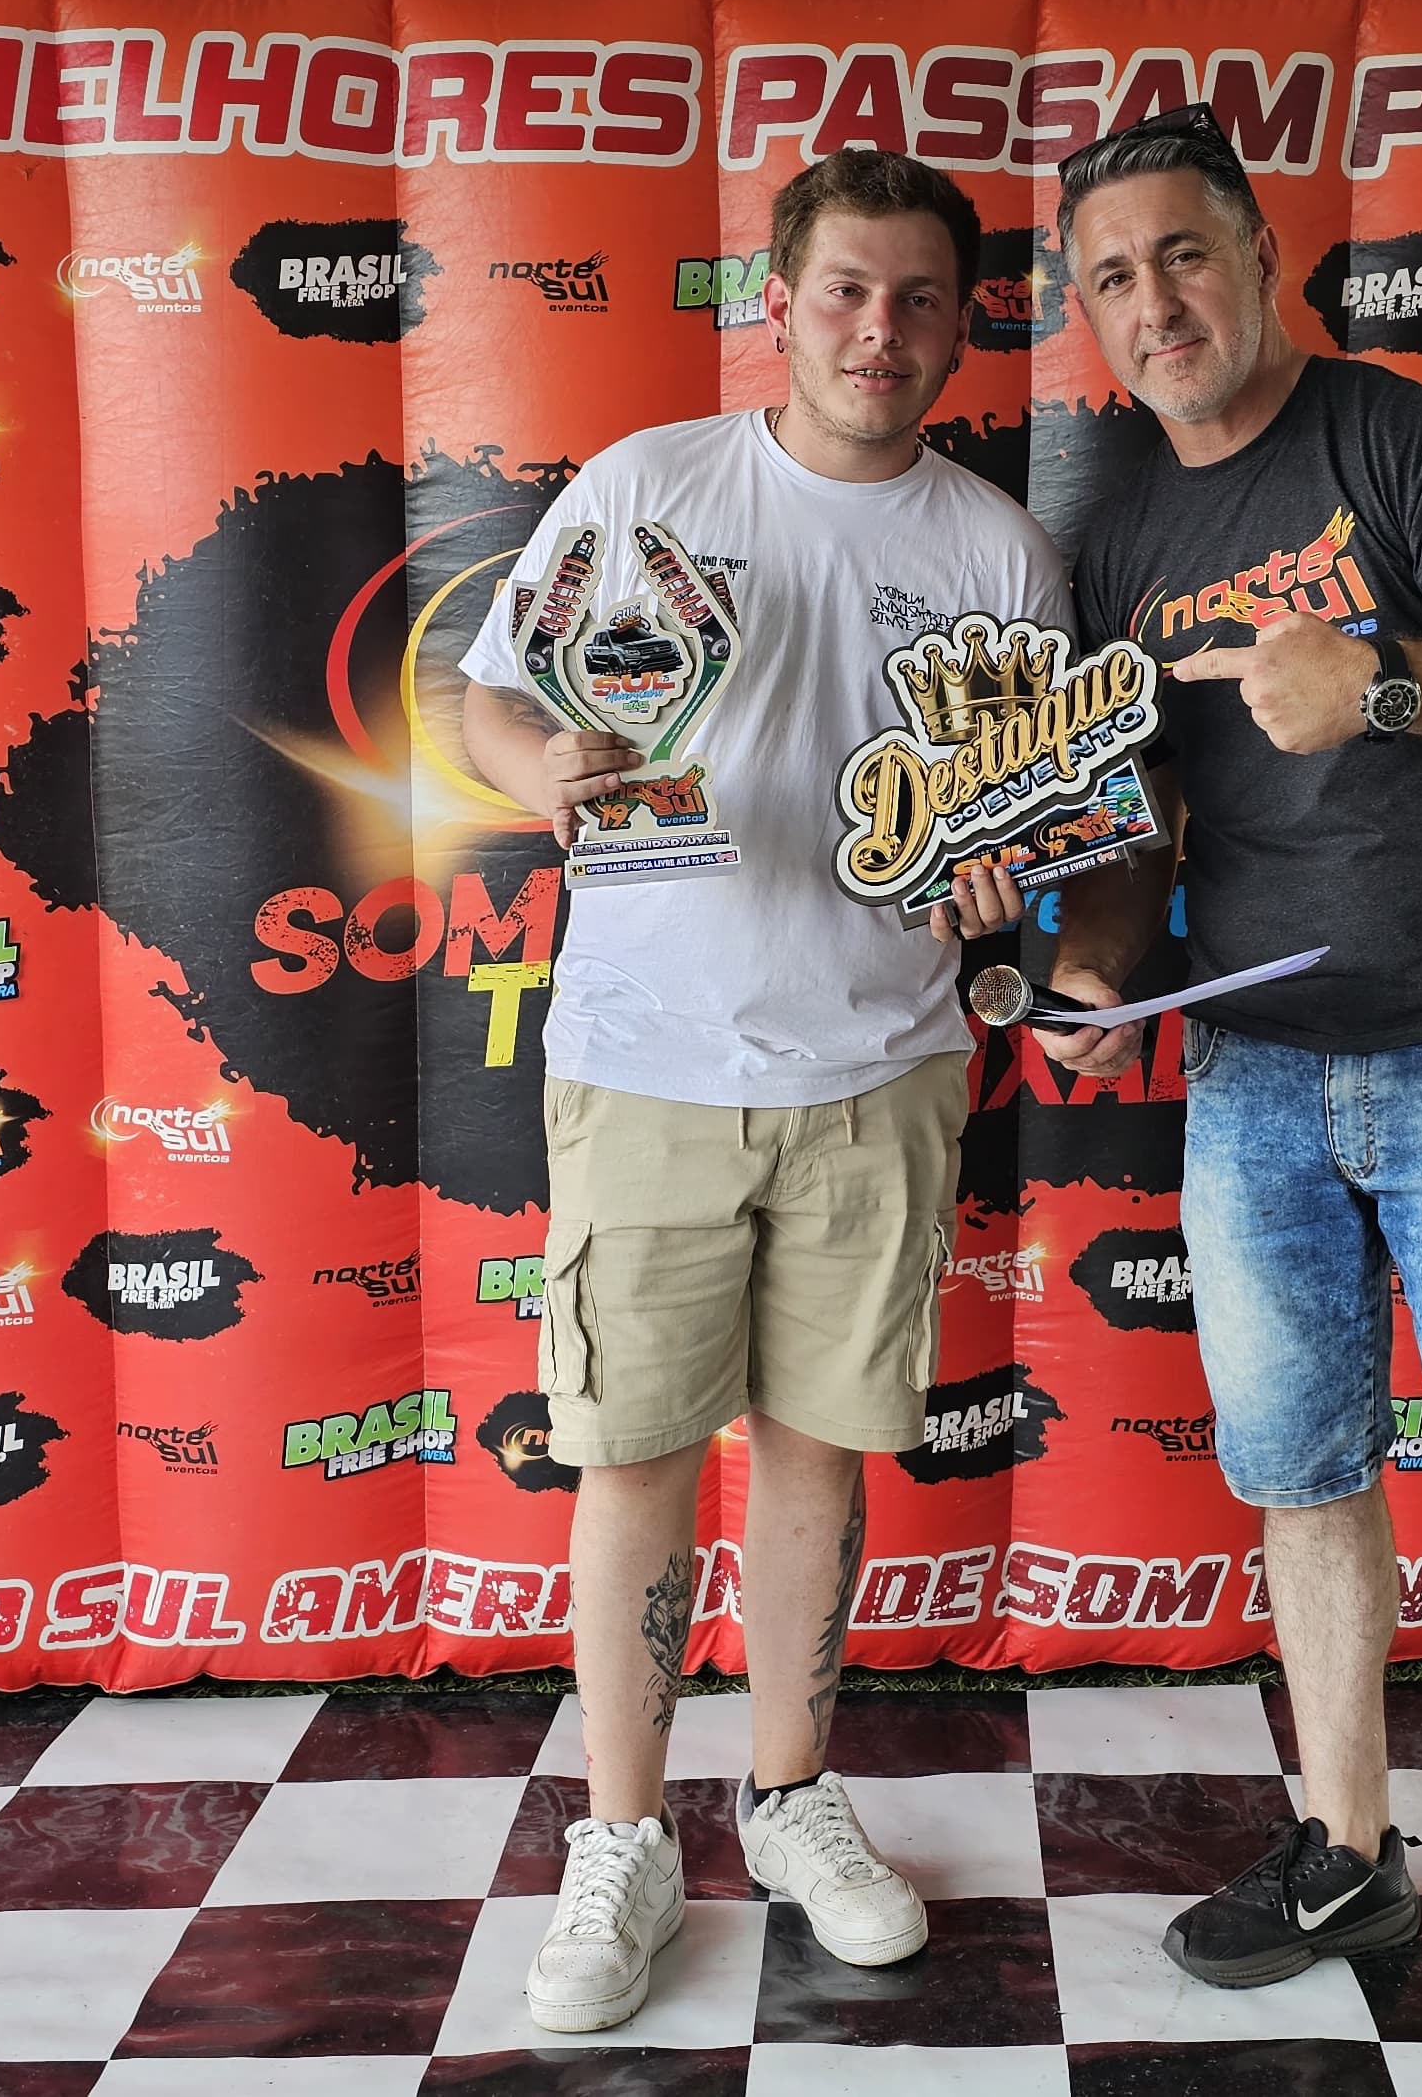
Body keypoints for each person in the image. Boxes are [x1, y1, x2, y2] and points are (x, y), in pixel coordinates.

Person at [1025, 104, 1422, 2097]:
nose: (1154, 302)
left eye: (1182, 253)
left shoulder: (1404, 443)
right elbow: (1132, 819)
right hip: (1253, 1074)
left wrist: (1381, 680)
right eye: (1110, 277)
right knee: (1304, 1478)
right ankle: (1349, 1855)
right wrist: (1094, 972)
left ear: (1261, 253)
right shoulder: (1117, 531)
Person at [456, 148, 1060, 2036]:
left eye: (921, 300)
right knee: (634, 1457)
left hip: (885, 1068)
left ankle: (789, 1794)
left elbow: (1026, 809)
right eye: (848, 292)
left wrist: (1005, 872)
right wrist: (540, 772)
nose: (882, 331)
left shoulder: (999, 550)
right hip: (648, 1057)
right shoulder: (650, 485)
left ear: (964, 327)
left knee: (818, 1447)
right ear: (779, 303)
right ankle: (623, 1835)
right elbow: (492, 697)